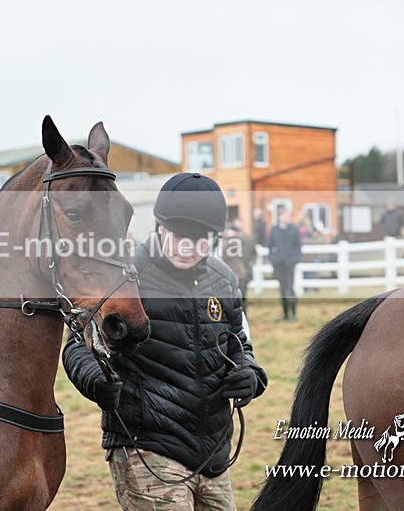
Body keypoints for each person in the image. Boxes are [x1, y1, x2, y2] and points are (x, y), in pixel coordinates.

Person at [63, 173, 267, 511]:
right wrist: (96, 380)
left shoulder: (224, 280)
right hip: (147, 446)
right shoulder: (123, 275)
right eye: (179, 236)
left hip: (213, 452)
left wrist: (249, 376)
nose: (189, 247)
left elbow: (240, 346)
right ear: (159, 227)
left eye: (202, 239)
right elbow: (77, 343)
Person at [267, 209, 302, 321]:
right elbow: (269, 246)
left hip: (290, 264)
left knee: (290, 288)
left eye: (289, 216)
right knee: (282, 289)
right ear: (280, 217)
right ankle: (286, 314)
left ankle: (294, 314)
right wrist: (273, 258)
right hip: (278, 264)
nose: (288, 218)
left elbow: (298, 247)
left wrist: (294, 260)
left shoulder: (294, 230)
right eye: (285, 216)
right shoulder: (274, 230)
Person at [222, 217, 257, 312]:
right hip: (233, 274)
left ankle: (244, 318)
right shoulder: (228, 242)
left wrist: (252, 261)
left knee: (243, 298)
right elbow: (224, 254)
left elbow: (254, 251)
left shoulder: (247, 238)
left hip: (244, 273)